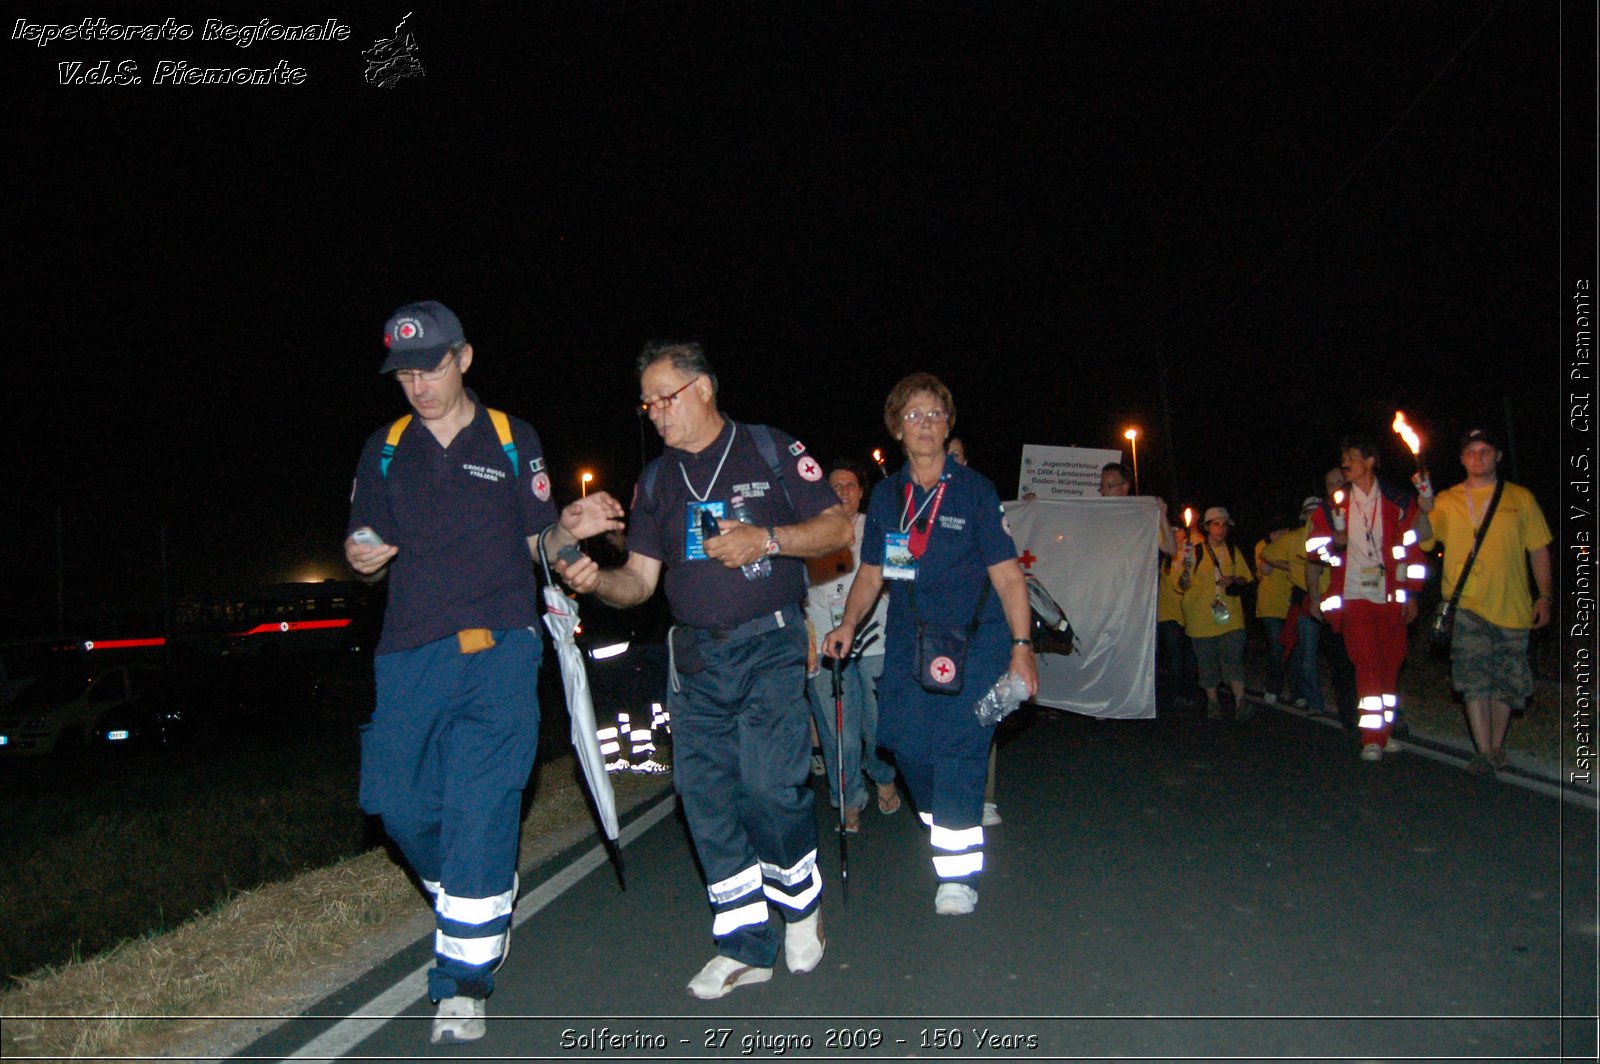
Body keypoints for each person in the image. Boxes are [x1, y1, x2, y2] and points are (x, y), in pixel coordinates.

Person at [345, 300, 623, 1044]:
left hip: (502, 647)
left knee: (481, 803)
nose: (418, 384)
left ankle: (462, 981)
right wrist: (362, 554)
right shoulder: (384, 447)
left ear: (463, 358)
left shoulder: (511, 437)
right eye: (404, 372)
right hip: (410, 652)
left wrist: (573, 546)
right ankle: (480, 888)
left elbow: (540, 538)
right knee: (396, 805)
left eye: (430, 366)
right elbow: (364, 536)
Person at [557, 341, 852, 1000]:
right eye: (647, 404)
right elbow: (637, 582)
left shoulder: (769, 449)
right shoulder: (657, 482)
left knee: (769, 787)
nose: (655, 414)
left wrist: (768, 540)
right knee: (706, 798)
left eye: (665, 399)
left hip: (769, 646)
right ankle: (744, 940)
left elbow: (837, 529)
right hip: (693, 659)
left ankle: (801, 906)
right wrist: (594, 581)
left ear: (703, 390)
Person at [823, 373, 1038, 917]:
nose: (926, 424)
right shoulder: (891, 495)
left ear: (948, 427)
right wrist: (848, 624)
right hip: (908, 641)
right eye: (915, 415)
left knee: (963, 751)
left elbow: (1010, 576)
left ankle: (958, 876)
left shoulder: (974, 490)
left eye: (936, 415)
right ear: (897, 426)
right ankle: (947, 822)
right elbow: (871, 574)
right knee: (908, 748)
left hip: (976, 640)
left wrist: (1021, 645)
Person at [1416, 428, 1553, 775]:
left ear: (1498, 456)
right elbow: (1423, 539)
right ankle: (1485, 750)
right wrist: (1423, 508)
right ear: (1462, 459)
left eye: (1485, 451)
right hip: (1467, 605)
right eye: (1471, 452)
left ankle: (1495, 746)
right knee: (1473, 677)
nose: (1478, 458)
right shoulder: (1447, 499)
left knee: (1507, 680)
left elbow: (1538, 549)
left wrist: (1545, 596)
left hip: (1512, 605)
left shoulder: (1520, 498)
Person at [1305, 436, 1431, 761]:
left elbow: (1413, 550)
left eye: (1351, 456)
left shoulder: (1398, 501)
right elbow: (1313, 551)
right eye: (1343, 456)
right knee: (1367, 664)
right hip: (1354, 595)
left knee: (1391, 663)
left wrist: (1413, 594)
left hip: (1390, 597)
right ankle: (1371, 738)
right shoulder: (1332, 505)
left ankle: (1384, 733)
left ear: (1370, 461)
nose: (1345, 462)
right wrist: (1335, 541)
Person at [804, 460, 899, 835]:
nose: (843, 491)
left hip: (877, 641)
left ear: (862, 492)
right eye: (835, 486)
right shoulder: (807, 532)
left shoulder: (879, 526)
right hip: (827, 649)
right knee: (837, 730)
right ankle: (848, 799)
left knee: (878, 723)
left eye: (850, 485)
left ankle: (882, 773)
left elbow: (903, 575)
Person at [1177, 507, 1254, 720]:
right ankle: (1213, 702)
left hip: (1231, 617)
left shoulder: (1233, 551)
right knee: (1207, 662)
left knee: (1233, 659)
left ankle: (1240, 702)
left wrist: (1234, 579)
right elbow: (1182, 584)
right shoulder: (1194, 550)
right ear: (1207, 527)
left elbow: (1246, 578)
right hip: (1200, 618)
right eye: (1215, 524)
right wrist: (1185, 568)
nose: (1220, 529)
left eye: (1224, 524)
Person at [1304, 468, 1359, 728]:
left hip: (1370, 597)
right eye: (1330, 484)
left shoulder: (1367, 507)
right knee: (1342, 662)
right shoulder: (1323, 515)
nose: (1336, 487)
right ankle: (1350, 714)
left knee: (1373, 659)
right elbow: (1312, 560)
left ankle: (1386, 718)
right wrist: (1314, 598)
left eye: (1340, 482)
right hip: (1338, 601)